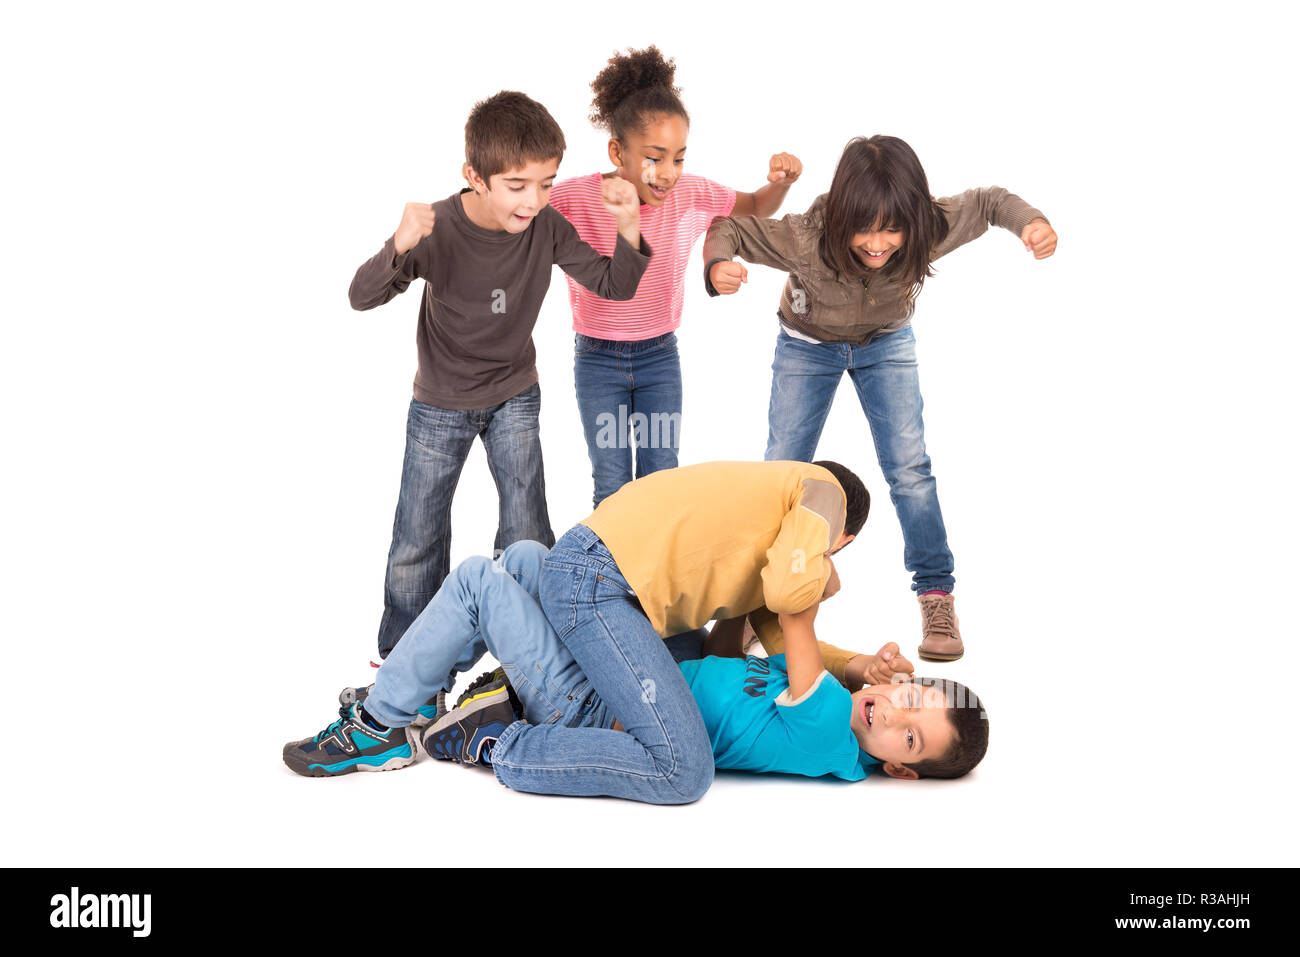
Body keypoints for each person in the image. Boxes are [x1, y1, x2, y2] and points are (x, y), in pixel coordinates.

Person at [286, 459, 881, 803]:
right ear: (842, 536)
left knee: (520, 561)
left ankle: (416, 698)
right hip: (601, 584)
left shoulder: (762, 520)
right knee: (682, 769)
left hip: (588, 558)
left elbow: (783, 647)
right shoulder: (818, 495)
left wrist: (858, 666)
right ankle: (383, 725)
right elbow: (790, 597)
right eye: (836, 548)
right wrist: (821, 574)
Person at [702, 134, 1059, 663]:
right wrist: (717, 266)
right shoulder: (806, 235)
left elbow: (987, 201)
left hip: (886, 344)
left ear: (913, 220)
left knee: (910, 468)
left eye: (891, 230)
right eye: (862, 229)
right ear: (840, 216)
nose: (877, 243)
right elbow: (727, 226)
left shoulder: (929, 225)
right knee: (781, 472)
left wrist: (1030, 221)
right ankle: (756, 604)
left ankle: (936, 594)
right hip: (808, 345)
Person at [283, 538, 989, 791]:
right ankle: (427, 694)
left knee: (477, 579)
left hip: (598, 706)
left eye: (909, 735)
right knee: (531, 558)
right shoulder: (831, 703)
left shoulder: (831, 731)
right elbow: (727, 648)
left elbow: (792, 612)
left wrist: (807, 556)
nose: (894, 714)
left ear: (900, 767)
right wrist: (868, 661)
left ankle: (380, 725)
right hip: (627, 674)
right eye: (913, 697)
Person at [347, 90, 652, 663]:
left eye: (547, 182)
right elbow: (360, 297)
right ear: (475, 176)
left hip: (515, 394)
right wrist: (399, 243)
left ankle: (532, 655)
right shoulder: (437, 229)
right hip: (441, 401)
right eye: (518, 185)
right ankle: (404, 663)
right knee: (418, 535)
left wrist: (628, 224)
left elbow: (615, 284)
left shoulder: (548, 226)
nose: (534, 199)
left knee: (527, 529)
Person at [549, 46, 803, 507]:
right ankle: (613, 578)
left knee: (661, 480)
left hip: (659, 359)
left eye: (679, 158)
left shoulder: (690, 193)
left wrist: (780, 184)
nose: (668, 173)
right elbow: (517, 212)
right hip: (597, 360)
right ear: (617, 151)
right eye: (655, 157)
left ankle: (655, 580)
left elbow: (755, 206)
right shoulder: (576, 197)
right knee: (610, 483)